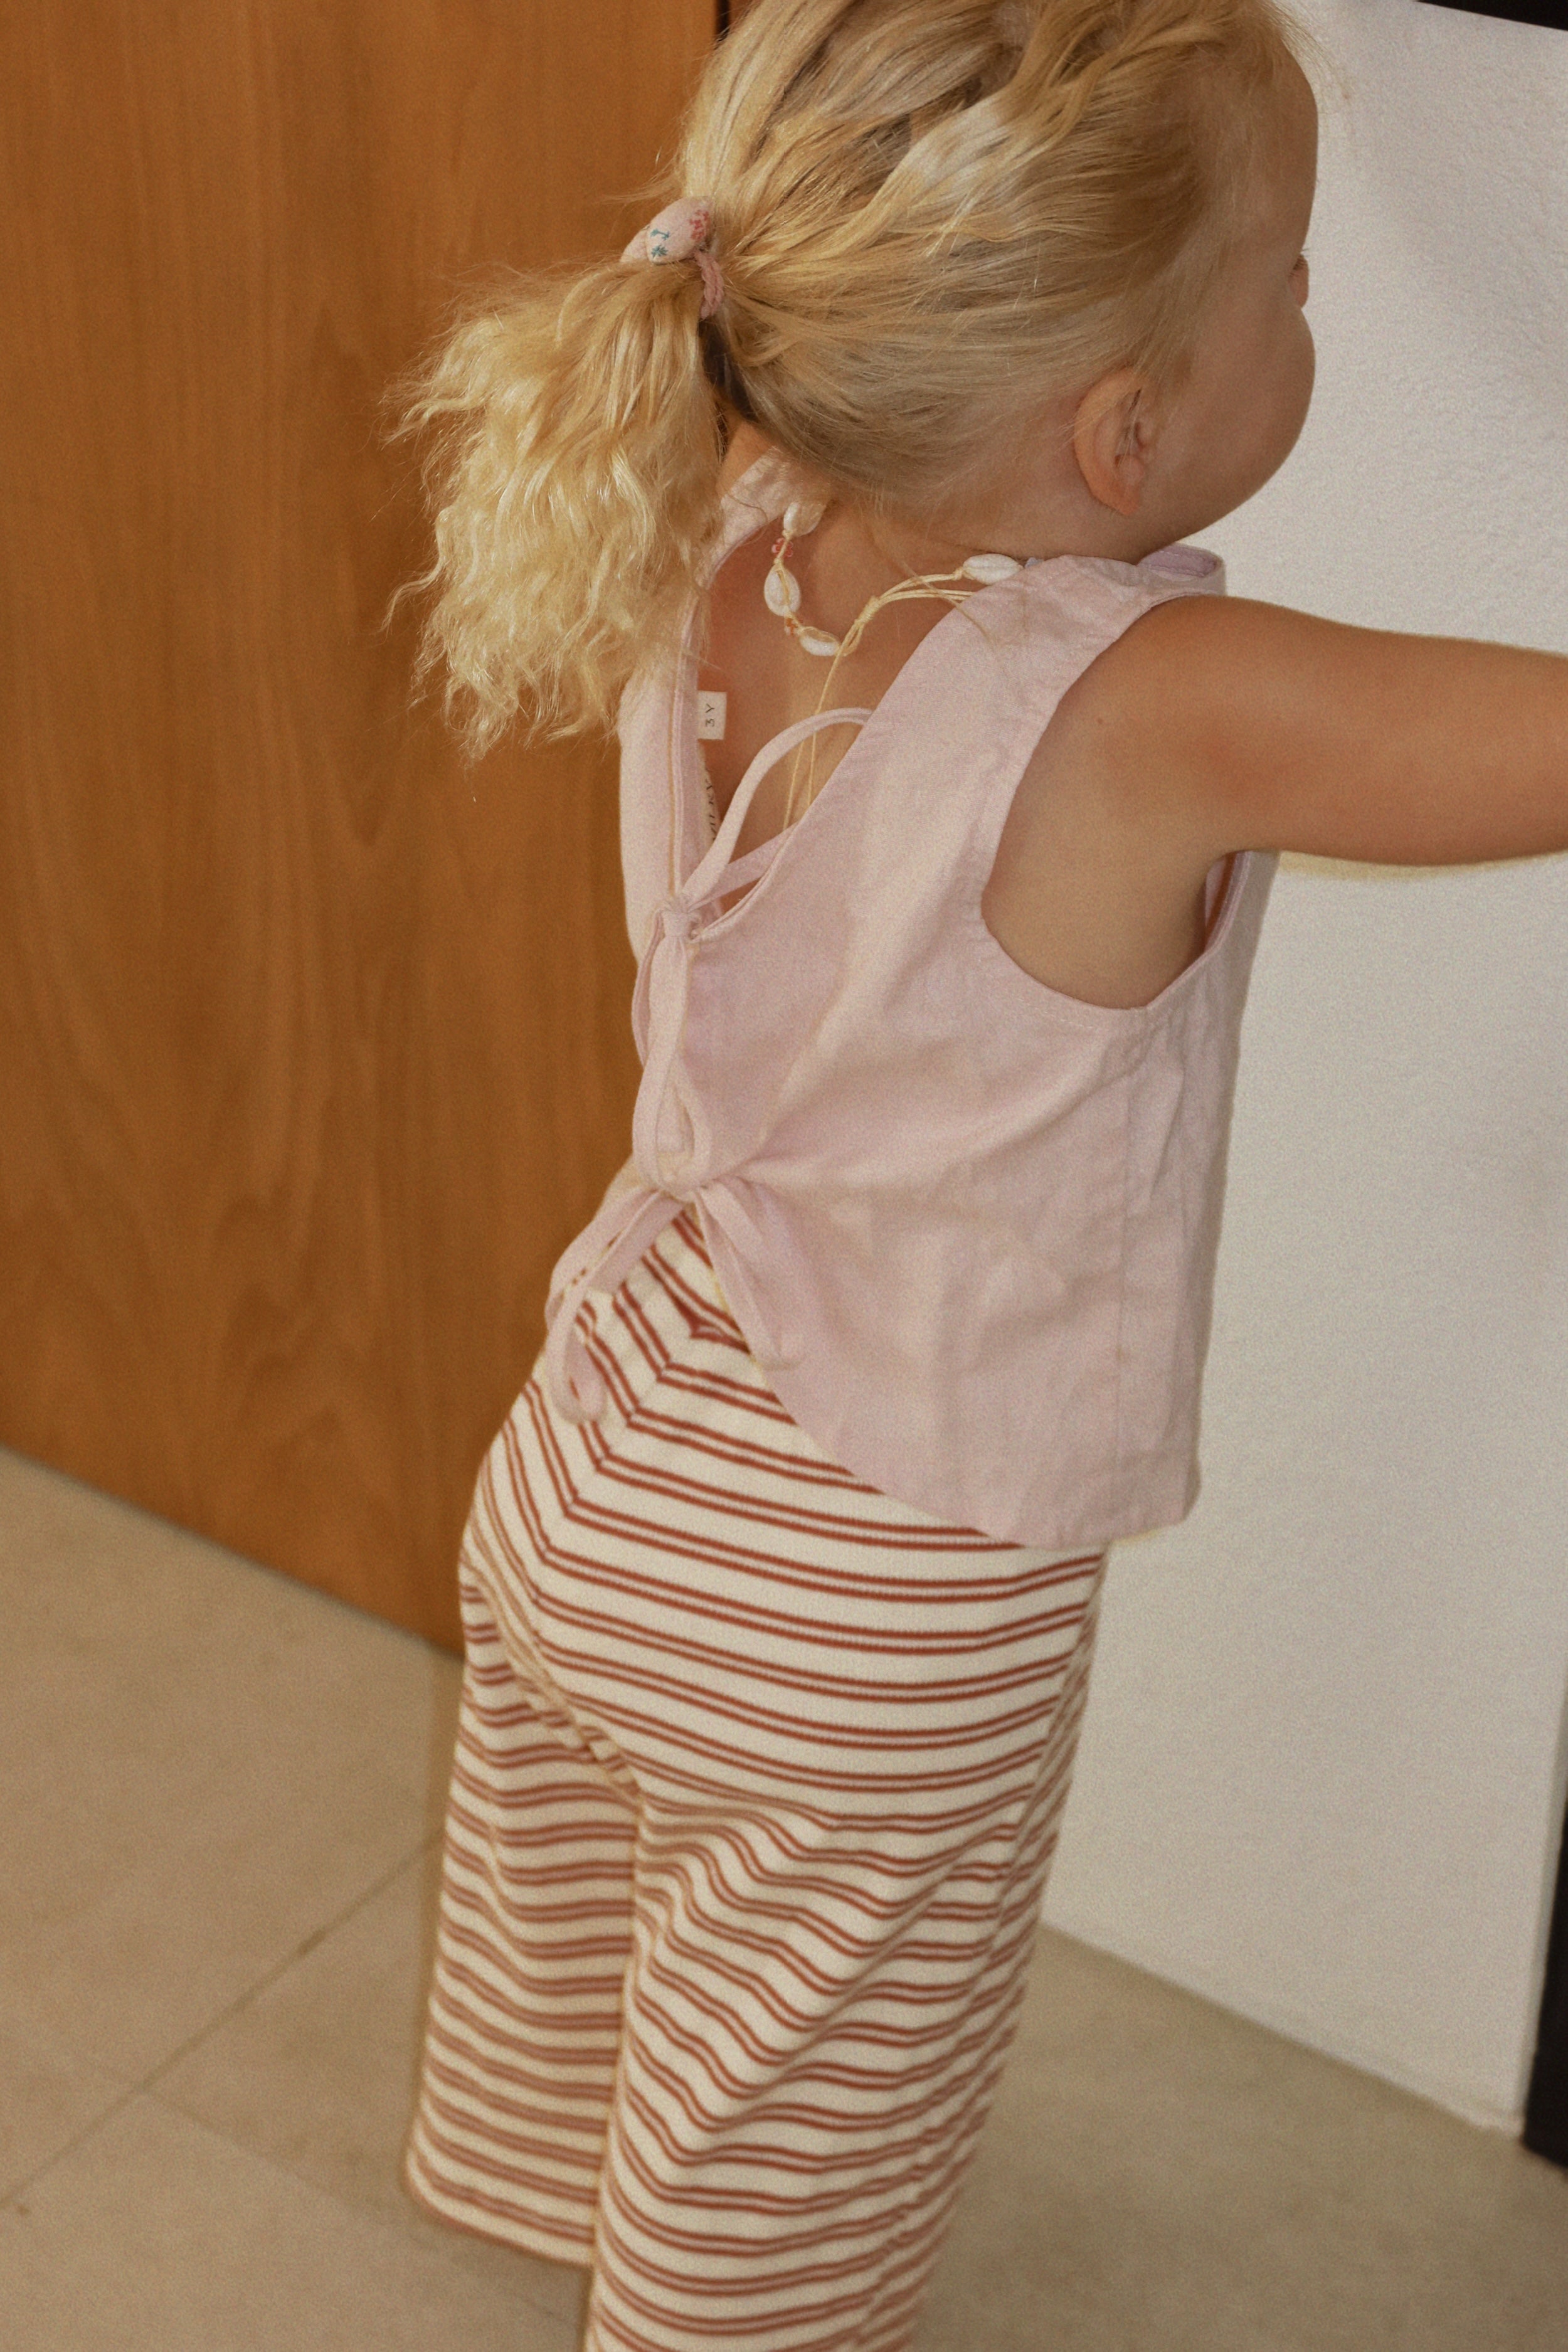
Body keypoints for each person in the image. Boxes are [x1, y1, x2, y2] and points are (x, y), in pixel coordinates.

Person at [398, 4, 1568, 2346]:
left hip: (592, 1471)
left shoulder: (731, 521)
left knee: (603, 2007)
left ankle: (571, 2252)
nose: (1312, 315)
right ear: (1124, 428)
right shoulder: (1147, 702)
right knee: (783, 2176)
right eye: (1299, 284)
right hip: (868, 1625)